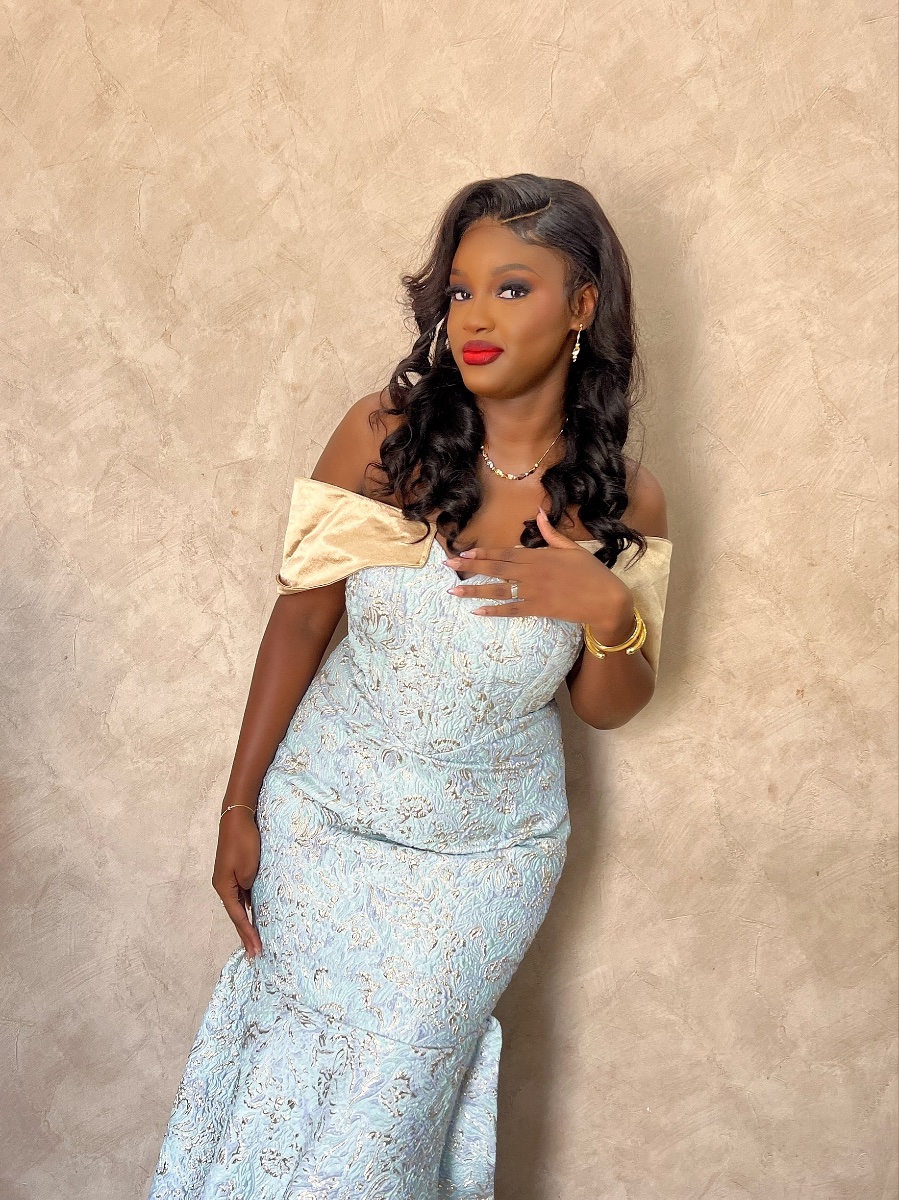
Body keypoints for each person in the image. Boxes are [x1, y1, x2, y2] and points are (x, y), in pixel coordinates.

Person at [148, 172, 673, 1199]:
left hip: (483, 861)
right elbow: (303, 617)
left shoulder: (623, 498)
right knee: (280, 1097)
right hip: (322, 820)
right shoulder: (383, 438)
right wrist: (238, 805)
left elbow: (608, 705)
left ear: (580, 306)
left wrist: (607, 612)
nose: (475, 317)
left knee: (381, 1124)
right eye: (461, 290)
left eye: (511, 289)